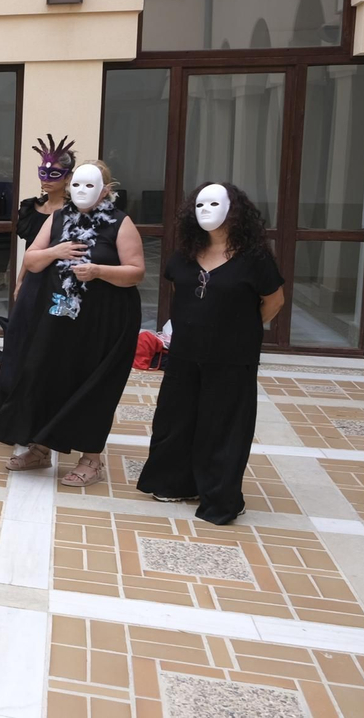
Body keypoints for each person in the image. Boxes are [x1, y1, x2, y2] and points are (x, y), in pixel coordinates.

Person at [0, 160, 144, 486]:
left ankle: (92, 459)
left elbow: (136, 272)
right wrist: (55, 251)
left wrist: (100, 271)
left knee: (92, 386)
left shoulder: (120, 222)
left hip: (104, 320)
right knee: (47, 376)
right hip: (60, 315)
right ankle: (40, 447)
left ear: (106, 190)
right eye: (77, 185)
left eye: (91, 186)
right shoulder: (58, 218)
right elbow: (31, 260)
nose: (82, 191)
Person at [137, 183, 284, 524]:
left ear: (234, 211)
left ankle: (220, 497)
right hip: (186, 354)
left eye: (214, 203)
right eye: (200, 204)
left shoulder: (255, 258)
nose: (205, 210)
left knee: (222, 427)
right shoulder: (186, 254)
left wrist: (237, 329)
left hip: (232, 358)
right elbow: (182, 292)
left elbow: (274, 301)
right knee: (176, 420)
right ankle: (175, 483)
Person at [0, 135, 75, 409]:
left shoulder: (75, 212)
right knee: (21, 339)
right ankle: (15, 403)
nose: (47, 179)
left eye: (54, 174)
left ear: (68, 177)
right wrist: (20, 281)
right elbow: (30, 251)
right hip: (34, 277)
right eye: (43, 172)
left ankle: (47, 405)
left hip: (62, 284)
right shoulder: (33, 208)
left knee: (52, 343)